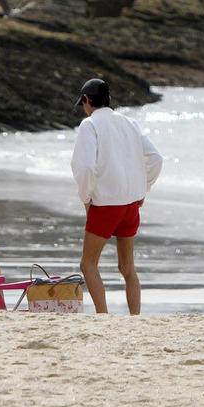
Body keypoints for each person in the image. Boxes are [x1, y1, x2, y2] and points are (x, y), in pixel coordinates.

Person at [69, 77, 162, 314]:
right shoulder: (129, 122)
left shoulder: (89, 125)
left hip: (106, 204)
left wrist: (86, 198)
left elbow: (86, 168)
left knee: (88, 264)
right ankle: (135, 318)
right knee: (127, 268)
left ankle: (103, 316)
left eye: (84, 103)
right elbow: (156, 158)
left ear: (88, 100)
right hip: (131, 204)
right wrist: (143, 188)